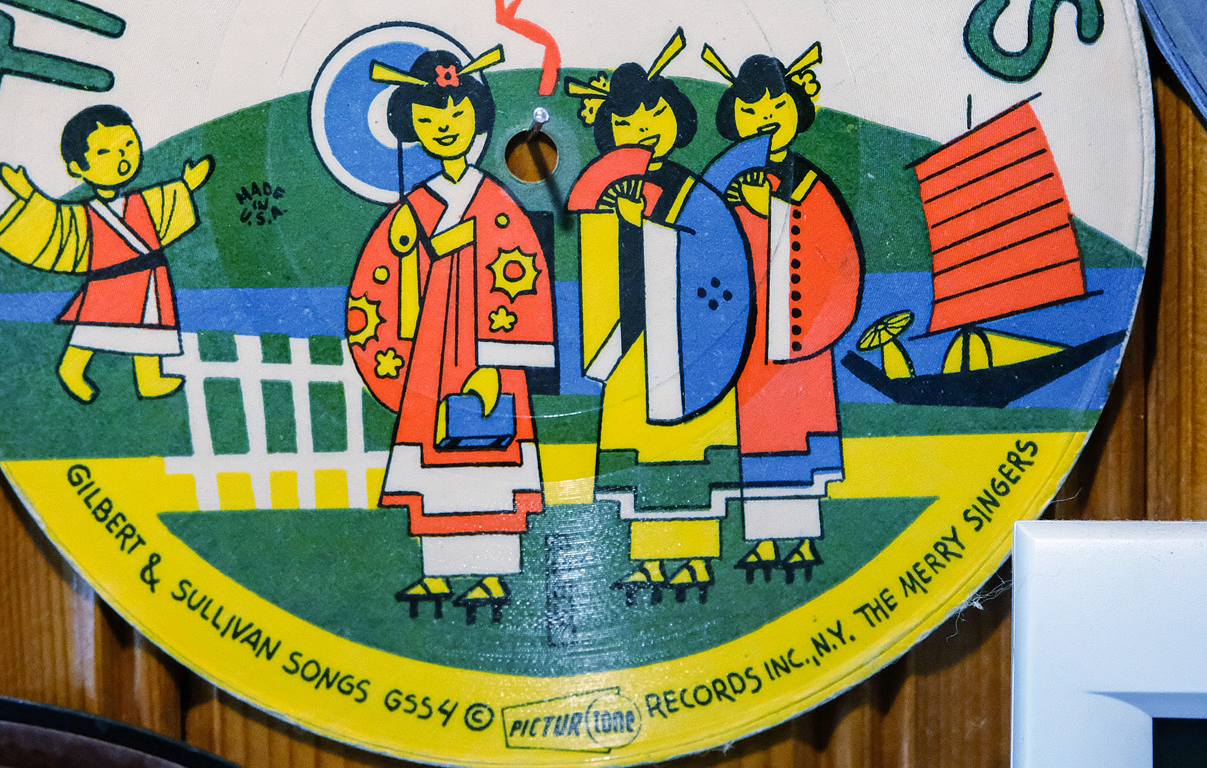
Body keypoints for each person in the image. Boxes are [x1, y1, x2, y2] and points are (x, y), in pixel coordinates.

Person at [345, 45, 555, 624]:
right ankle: (438, 567)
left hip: (485, 357)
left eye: (457, 115)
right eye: (431, 118)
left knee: (489, 455)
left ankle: (491, 571)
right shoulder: (413, 206)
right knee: (434, 458)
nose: (445, 127)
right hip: (432, 357)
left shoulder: (495, 202)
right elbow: (379, 284)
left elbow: (522, 277)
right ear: (413, 126)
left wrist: (495, 365)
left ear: (477, 120)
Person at [567, 32, 751, 603]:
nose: (641, 130)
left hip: (689, 341)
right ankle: (649, 557)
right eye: (625, 123)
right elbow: (599, 272)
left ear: (677, 119)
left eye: (653, 115)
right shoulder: (612, 192)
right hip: (633, 345)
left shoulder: (694, 193)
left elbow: (719, 254)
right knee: (639, 455)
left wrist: (646, 225)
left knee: (689, 451)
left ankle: (694, 556)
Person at [700, 42, 863, 582]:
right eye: (750, 110)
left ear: (797, 109)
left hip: (797, 334)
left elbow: (838, 256)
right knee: (756, 433)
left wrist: (773, 210)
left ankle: (800, 537)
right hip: (749, 336)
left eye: (776, 107)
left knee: (798, 428)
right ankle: (767, 537)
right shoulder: (725, 183)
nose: (764, 118)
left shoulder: (807, 182)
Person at [0, 103, 213, 403]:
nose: (121, 157)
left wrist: (187, 185)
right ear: (77, 168)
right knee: (92, 329)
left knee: (151, 327)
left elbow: (166, 204)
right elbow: (56, 224)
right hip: (109, 283)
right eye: (105, 152)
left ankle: (149, 379)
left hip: (149, 276)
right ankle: (70, 369)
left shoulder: (142, 201)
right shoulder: (85, 214)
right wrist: (28, 193)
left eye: (128, 145)